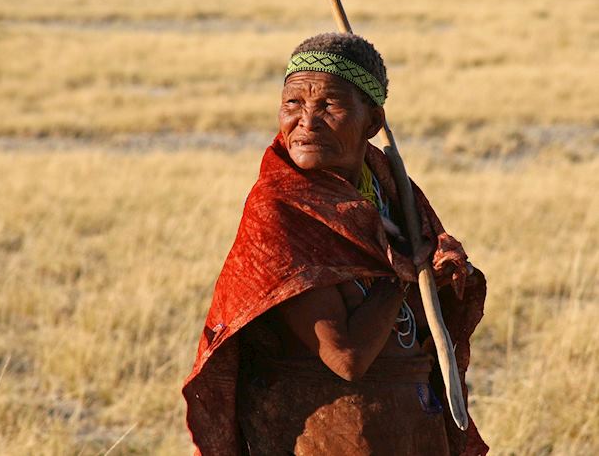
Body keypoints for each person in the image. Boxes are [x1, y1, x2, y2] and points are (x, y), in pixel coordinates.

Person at [183, 33, 488, 455]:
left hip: (413, 429)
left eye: (330, 105)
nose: (306, 121)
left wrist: (440, 266)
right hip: (324, 437)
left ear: (373, 123)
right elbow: (346, 358)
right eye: (293, 103)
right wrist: (399, 276)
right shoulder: (281, 208)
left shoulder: (390, 189)